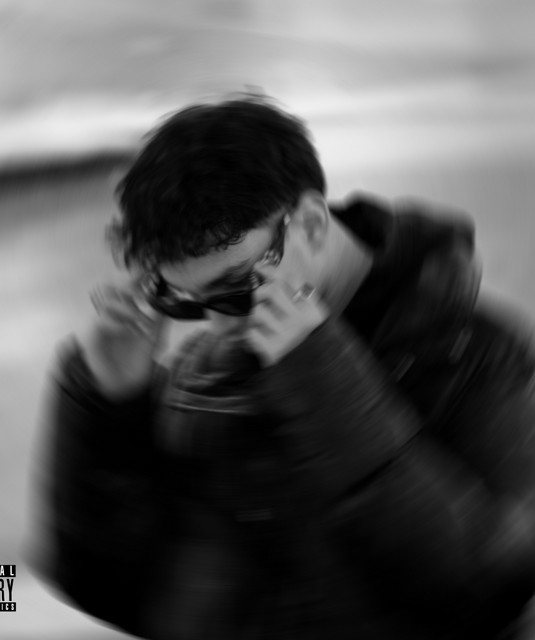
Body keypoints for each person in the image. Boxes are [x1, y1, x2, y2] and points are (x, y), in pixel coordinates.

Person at [30, 93, 535, 639]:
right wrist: (106, 409)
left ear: (312, 224)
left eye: (235, 290)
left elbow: (494, 592)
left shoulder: (480, 358)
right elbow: (104, 587)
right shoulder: (205, 369)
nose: (216, 325)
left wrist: (325, 384)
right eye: (182, 302)